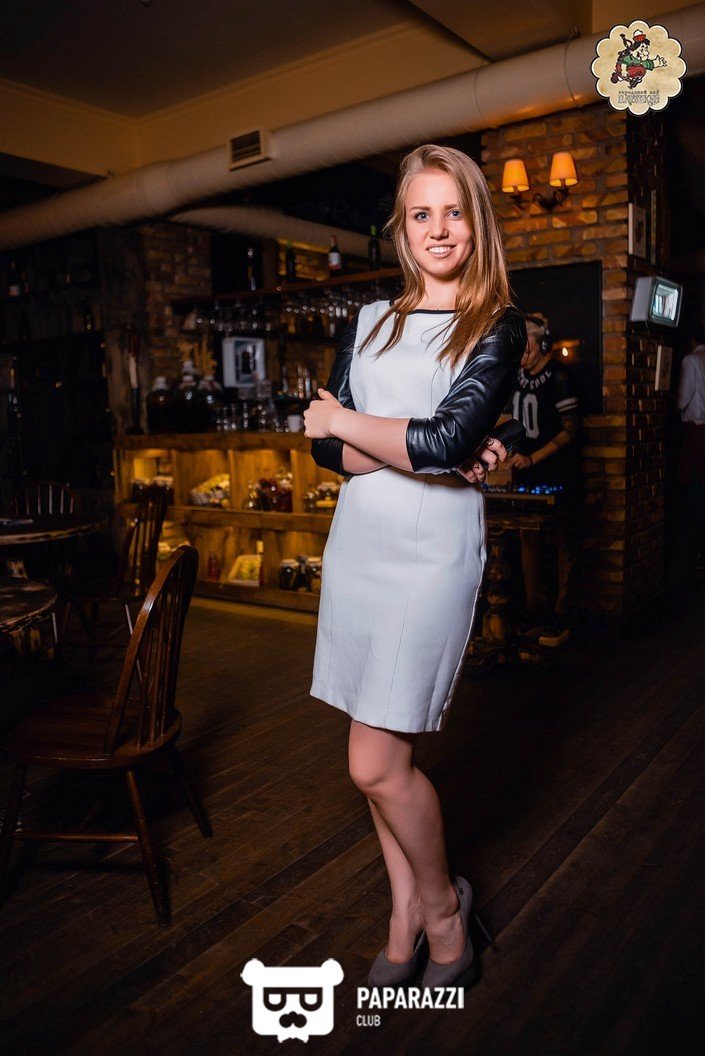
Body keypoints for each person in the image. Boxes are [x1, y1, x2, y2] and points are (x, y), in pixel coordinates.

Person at [303, 143, 526, 992]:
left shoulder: (496, 323)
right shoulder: (366, 320)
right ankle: (404, 915)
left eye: (454, 212)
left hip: (430, 554)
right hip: (359, 546)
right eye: (421, 213)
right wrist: (415, 447)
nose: (438, 229)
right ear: (401, 227)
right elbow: (330, 457)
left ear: (476, 223)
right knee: (380, 758)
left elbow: (445, 442)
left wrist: (350, 423)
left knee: (372, 763)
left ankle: (442, 909)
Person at [505, 313, 581, 646]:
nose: (522, 353)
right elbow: (510, 419)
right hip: (526, 473)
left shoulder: (560, 377)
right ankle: (533, 612)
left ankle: (561, 616)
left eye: (528, 345)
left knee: (562, 542)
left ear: (544, 344)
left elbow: (570, 431)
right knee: (527, 538)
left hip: (557, 472)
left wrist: (533, 457)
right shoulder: (516, 378)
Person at [675, 325, 705, 571]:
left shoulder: (691, 360)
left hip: (696, 432)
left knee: (694, 490)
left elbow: (683, 399)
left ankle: (695, 551)